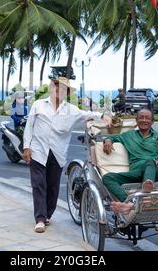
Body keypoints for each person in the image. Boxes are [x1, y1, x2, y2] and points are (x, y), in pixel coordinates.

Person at [23, 77, 112, 233]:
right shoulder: (38, 105)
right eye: (57, 87)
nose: (59, 91)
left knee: (52, 186)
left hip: (57, 152)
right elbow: (29, 126)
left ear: (67, 93)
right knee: (38, 184)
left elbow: (87, 114)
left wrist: (103, 116)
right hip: (38, 150)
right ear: (51, 88)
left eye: (63, 89)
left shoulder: (71, 110)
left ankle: (47, 213)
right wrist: (26, 147)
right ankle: (40, 218)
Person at [102, 108, 158, 214]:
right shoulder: (129, 135)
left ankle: (148, 183)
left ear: (152, 121)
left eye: (147, 118)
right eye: (141, 118)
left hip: (154, 169)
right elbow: (113, 137)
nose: (144, 120)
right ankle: (128, 203)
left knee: (149, 161)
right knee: (107, 178)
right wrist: (107, 141)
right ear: (136, 120)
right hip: (136, 172)